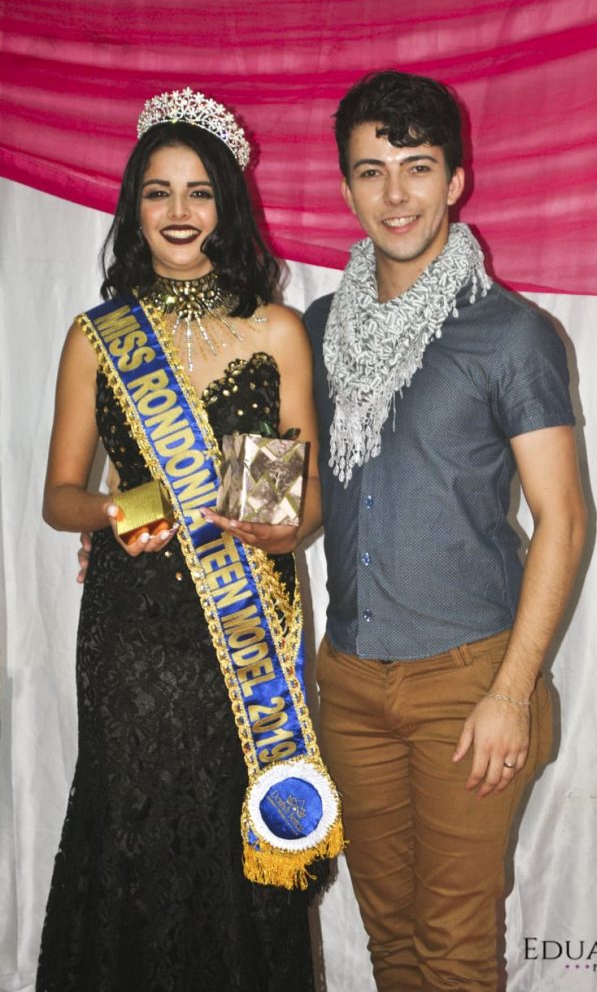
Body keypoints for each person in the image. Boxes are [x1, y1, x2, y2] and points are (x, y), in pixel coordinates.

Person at [39, 88, 334, 992]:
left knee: (233, 817)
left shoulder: (278, 328)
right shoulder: (98, 336)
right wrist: (121, 510)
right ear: (134, 205)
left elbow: (307, 503)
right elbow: (60, 498)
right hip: (130, 629)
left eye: (199, 191)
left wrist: (283, 525)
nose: (178, 210)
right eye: (158, 191)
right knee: (130, 819)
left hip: (244, 624)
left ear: (227, 204)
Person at [303, 70, 588, 992]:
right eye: (372, 171)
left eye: (418, 167)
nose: (396, 194)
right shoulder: (320, 329)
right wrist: (168, 529)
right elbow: (307, 502)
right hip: (349, 683)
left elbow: (564, 518)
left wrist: (512, 691)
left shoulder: (510, 334)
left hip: (469, 682)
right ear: (346, 188)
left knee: (456, 950)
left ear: (456, 180)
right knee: (391, 942)